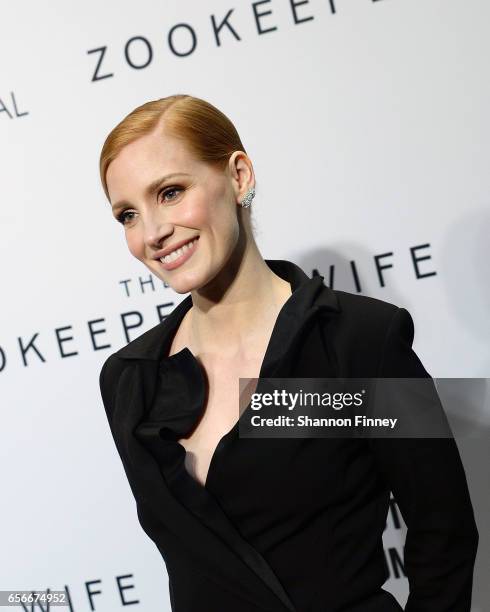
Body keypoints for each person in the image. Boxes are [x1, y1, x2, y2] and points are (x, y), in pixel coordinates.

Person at [98, 94, 479, 611]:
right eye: (127, 215)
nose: (152, 233)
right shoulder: (130, 380)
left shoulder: (359, 342)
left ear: (238, 176)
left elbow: (445, 533)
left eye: (170, 192)